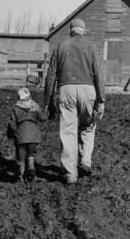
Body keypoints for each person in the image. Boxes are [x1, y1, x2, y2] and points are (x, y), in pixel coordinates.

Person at [44, 18, 105, 184]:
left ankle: (70, 174)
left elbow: (51, 77)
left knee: (68, 132)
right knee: (88, 126)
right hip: (88, 90)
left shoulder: (61, 47)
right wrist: (101, 100)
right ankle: (85, 160)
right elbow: (99, 74)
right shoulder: (92, 47)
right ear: (83, 30)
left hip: (66, 90)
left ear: (70, 31)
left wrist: (48, 101)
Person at [7, 87, 44, 182]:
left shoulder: (16, 108)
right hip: (33, 136)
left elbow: (11, 123)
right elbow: (41, 117)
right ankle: (31, 170)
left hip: (21, 136)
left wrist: (12, 133)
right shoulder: (35, 106)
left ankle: (20, 177)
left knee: (21, 158)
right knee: (31, 154)